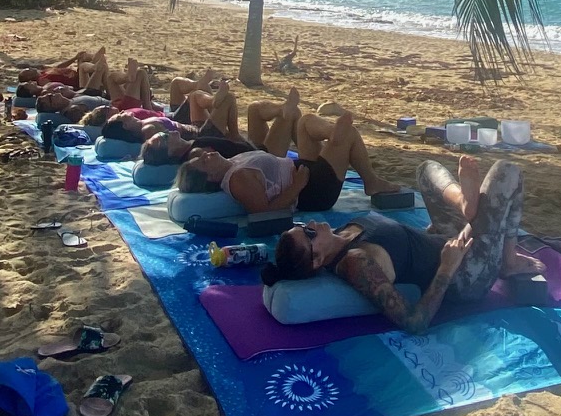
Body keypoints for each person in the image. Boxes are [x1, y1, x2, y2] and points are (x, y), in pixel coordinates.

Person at [261, 155, 541, 333]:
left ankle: (465, 204)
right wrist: (446, 268)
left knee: (426, 170)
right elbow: (414, 322)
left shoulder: (339, 234)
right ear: (318, 260)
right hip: (466, 272)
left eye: (303, 226)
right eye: (309, 235)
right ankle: (507, 260)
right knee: (507, 171)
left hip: (443, 240)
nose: (310, 225)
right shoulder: (356, 263)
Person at [180, 108, 375, 213]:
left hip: (305, 170)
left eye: (202, 157)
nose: (205, 155)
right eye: (203, 162)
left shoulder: (233, 162)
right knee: (348, 133)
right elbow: (264, 211)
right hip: (314, 191)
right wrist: (297, 185)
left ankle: (334, 135)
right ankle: (370, 180)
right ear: (211, 178)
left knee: (305, 122)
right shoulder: (237, 179)